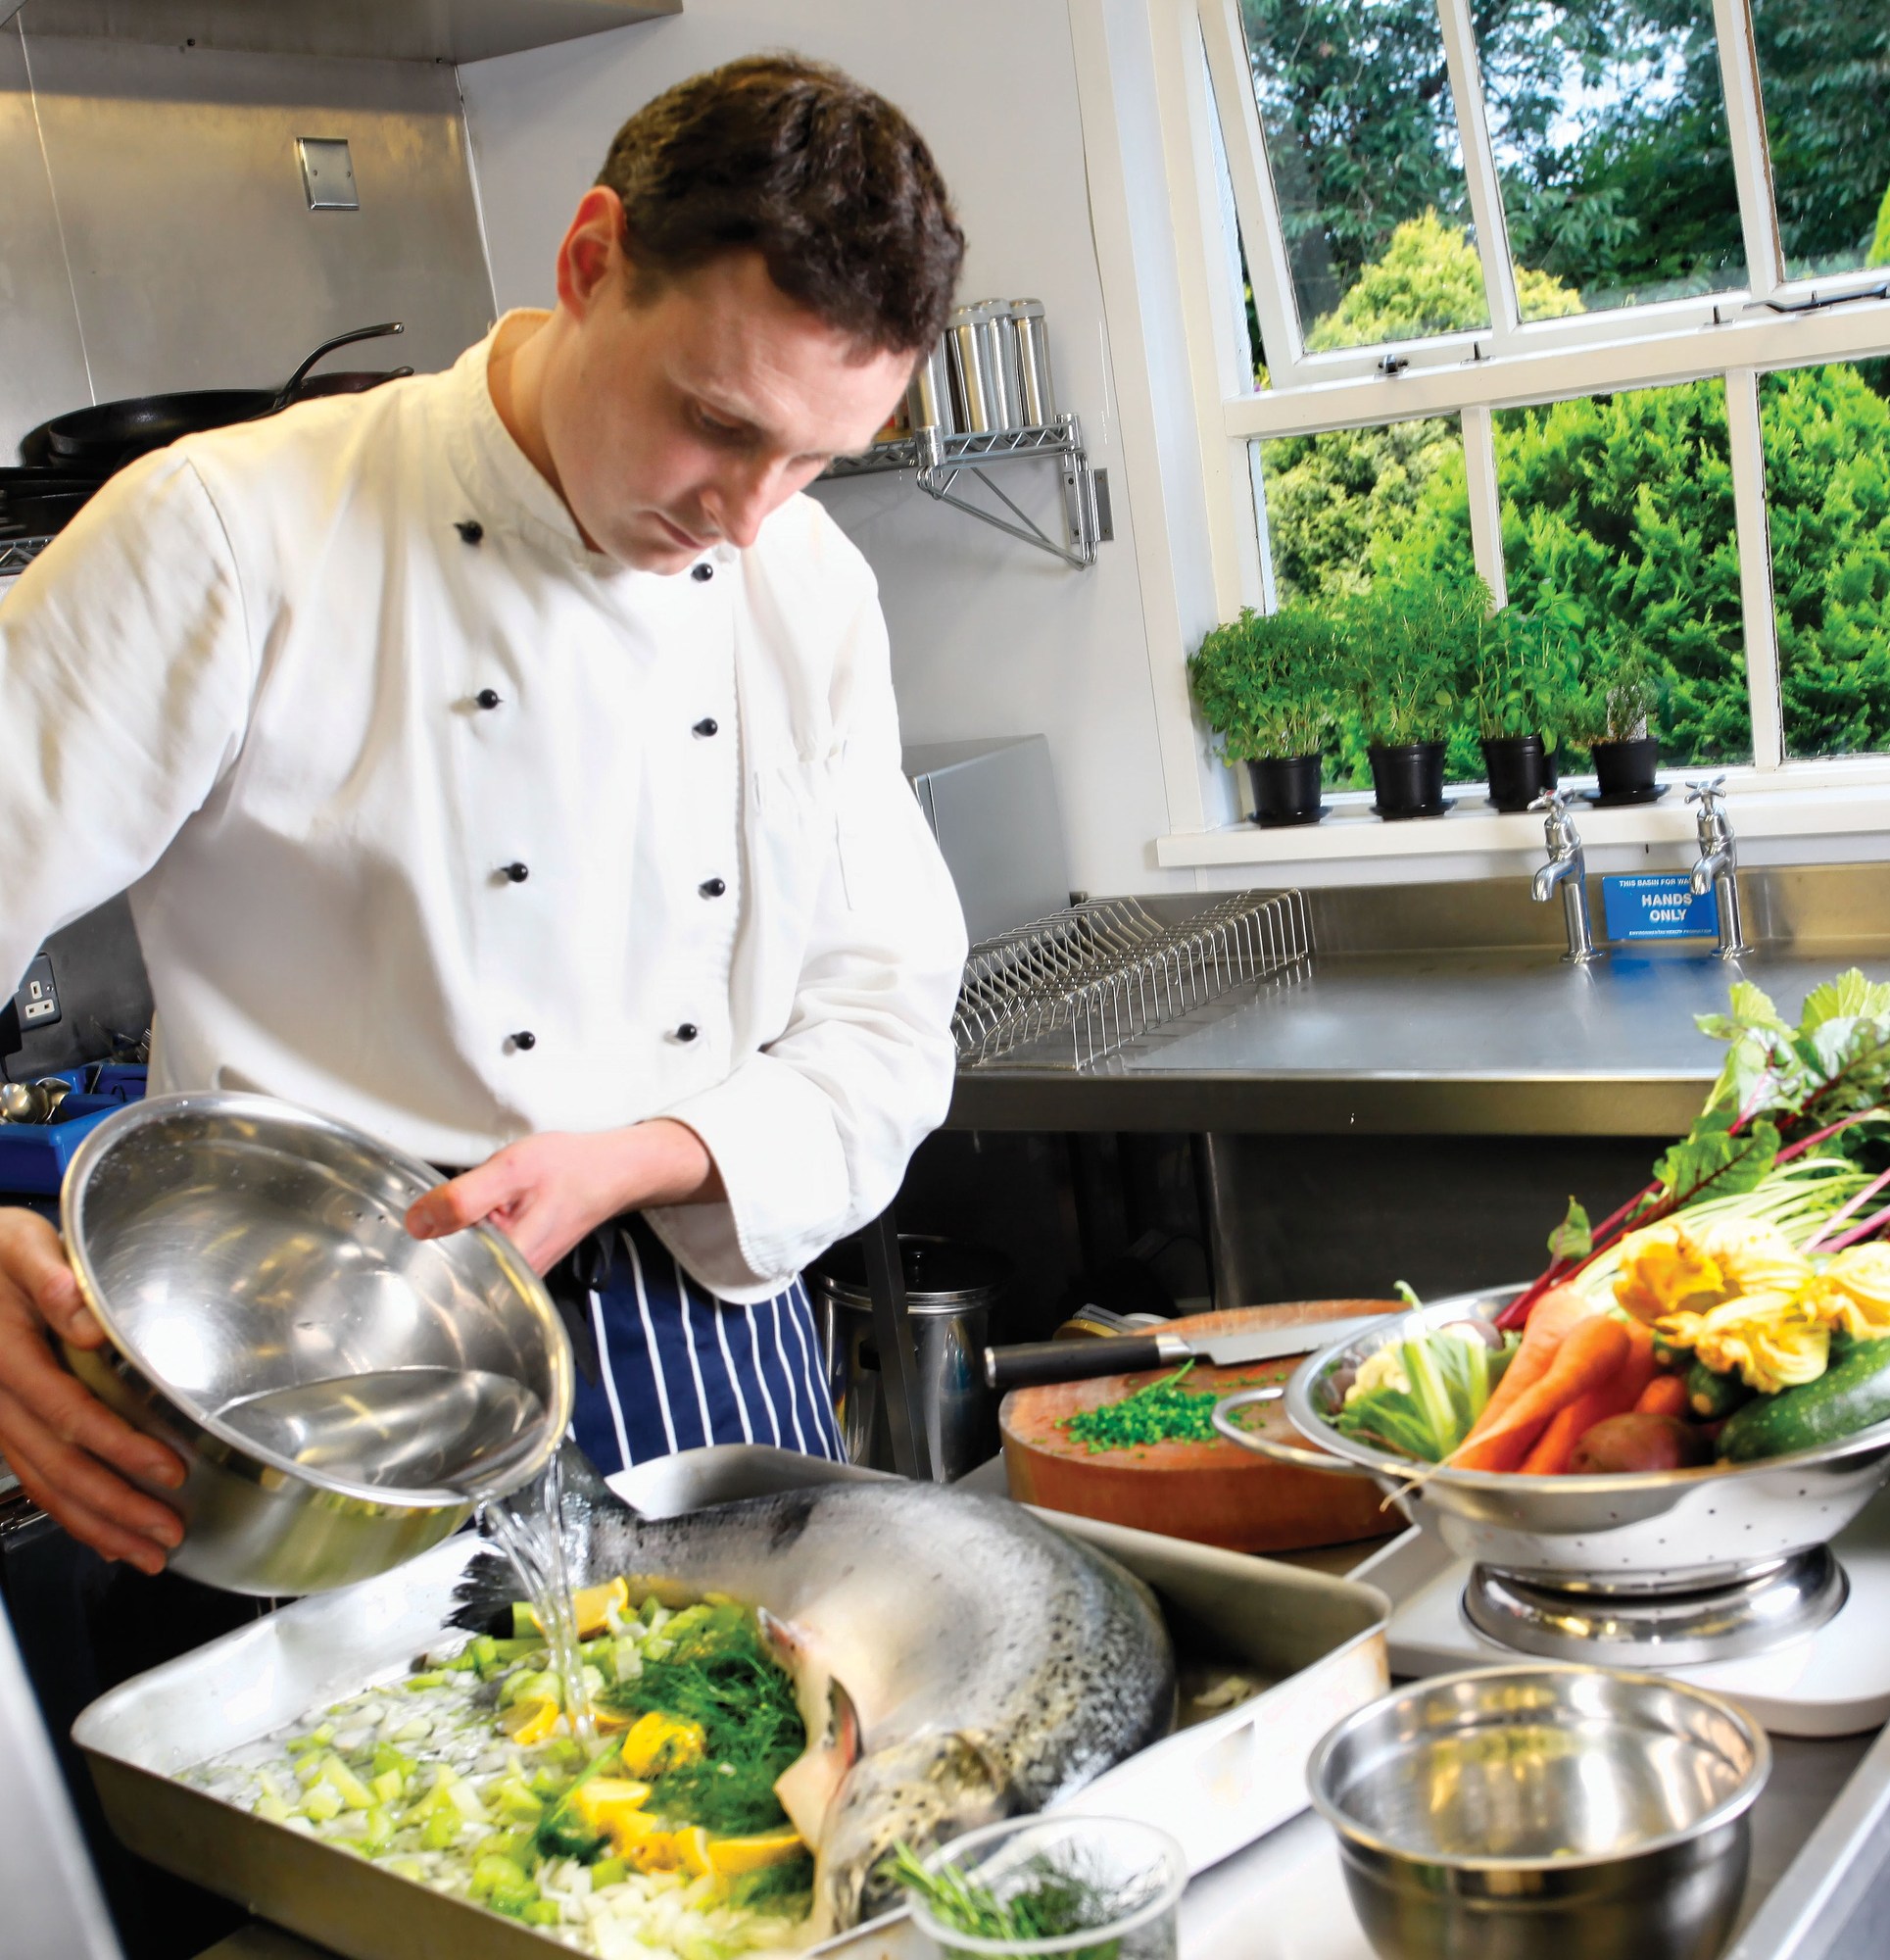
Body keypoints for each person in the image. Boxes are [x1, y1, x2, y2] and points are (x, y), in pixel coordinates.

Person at [0, 55, 970, 1576]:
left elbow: (886, 1021)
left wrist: (643, 1154)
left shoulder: (807, 584)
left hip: (700, 1329)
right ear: (588, 262)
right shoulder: (229, 533)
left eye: (811, 461)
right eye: (714, 422)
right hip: (314, 1363)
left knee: (761, 1722)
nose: (745, 516)